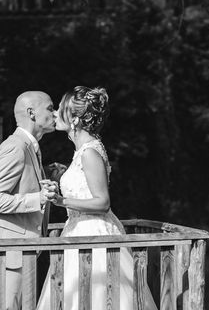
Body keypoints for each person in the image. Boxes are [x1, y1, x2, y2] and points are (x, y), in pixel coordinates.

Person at [36, 86, 158, 310]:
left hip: (95, 237)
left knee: (100, 298)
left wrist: (61, 201)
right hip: (77, 232)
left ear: (75, 119)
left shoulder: (90, 153)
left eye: (60, 109)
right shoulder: (82, 150)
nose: (55, 114)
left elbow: (102, 202)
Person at [0, 91, 58, 310]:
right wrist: (38, 198)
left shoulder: (30, 146)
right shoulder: (15, 146)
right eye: (51, 108)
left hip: (21, 253)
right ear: (32, 113)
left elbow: (20, 184)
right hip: (7, 255)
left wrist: (47, 175)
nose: (56, 113)